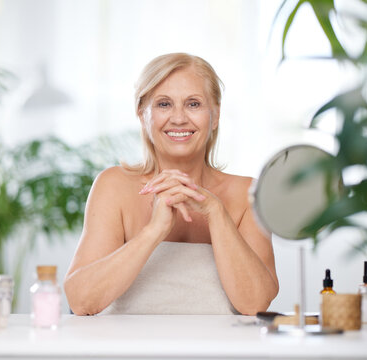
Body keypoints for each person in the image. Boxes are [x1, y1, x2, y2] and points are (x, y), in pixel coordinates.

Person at [64, 53, 278, 316]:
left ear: (216, 115)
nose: (178, 119)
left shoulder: (248, 194)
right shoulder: (114, 187)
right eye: (164, 104)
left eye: (193, 104)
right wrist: (154, 230)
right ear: (143, 114)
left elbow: (255, 304)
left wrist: (216, 213)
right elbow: (81, 301)